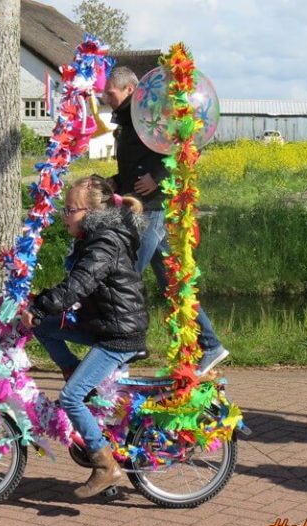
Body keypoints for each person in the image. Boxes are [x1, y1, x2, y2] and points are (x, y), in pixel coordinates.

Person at [22, 175, 148, 498]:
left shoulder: (104, 242)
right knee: (44, 327)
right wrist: (39, 305)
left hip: (118, 334)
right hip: (100, 323)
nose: (64, 216)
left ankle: (105, 465)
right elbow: (75, 288)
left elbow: (78, 284)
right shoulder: (92, 237)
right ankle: (73, 371)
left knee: (70, 398)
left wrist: (40, 305)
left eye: (69, 210)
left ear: (90, 213)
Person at [103, 65, 229, 374]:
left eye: (110, 93)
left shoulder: (151, 114)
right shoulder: (127, 120)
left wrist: (156, 177)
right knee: (172, 282)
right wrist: (116, 182)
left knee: (126, 275)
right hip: (139, 204)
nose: (106, 98)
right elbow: (136, 162)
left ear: (129, 90)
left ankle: (124, 347)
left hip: (152, 208)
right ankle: (211, 345)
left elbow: (183, 147)